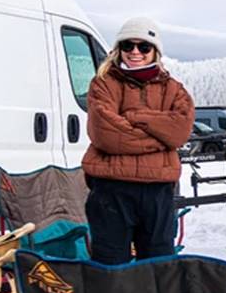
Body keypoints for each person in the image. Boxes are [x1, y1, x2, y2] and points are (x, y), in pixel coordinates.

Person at [83, 17, 195, 264]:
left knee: (159, 266)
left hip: (158, 192)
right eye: (128, 46)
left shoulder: (174, 89)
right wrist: (160, 137)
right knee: (110, 267)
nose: (135, 52)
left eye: (143, 47)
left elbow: (179, 131)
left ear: (155, 51)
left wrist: (134, 117)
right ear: (118, 49)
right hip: (111, 190)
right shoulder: (103, 83)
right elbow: (106, 135)